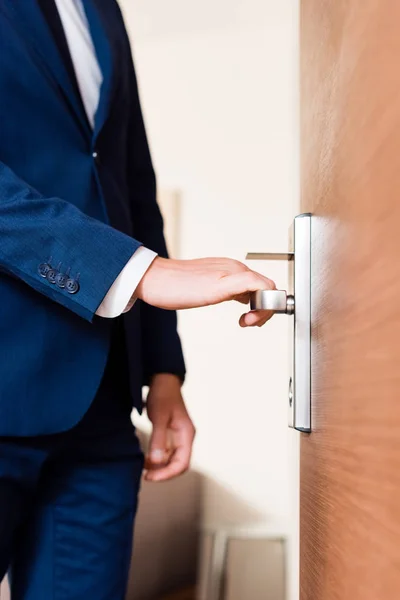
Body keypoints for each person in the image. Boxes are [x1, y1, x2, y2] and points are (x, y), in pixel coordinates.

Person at [0, 1, 275, 598]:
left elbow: (129, 186)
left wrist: (163, 369)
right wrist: (136, 274)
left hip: (102, 409)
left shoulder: (101, 8)